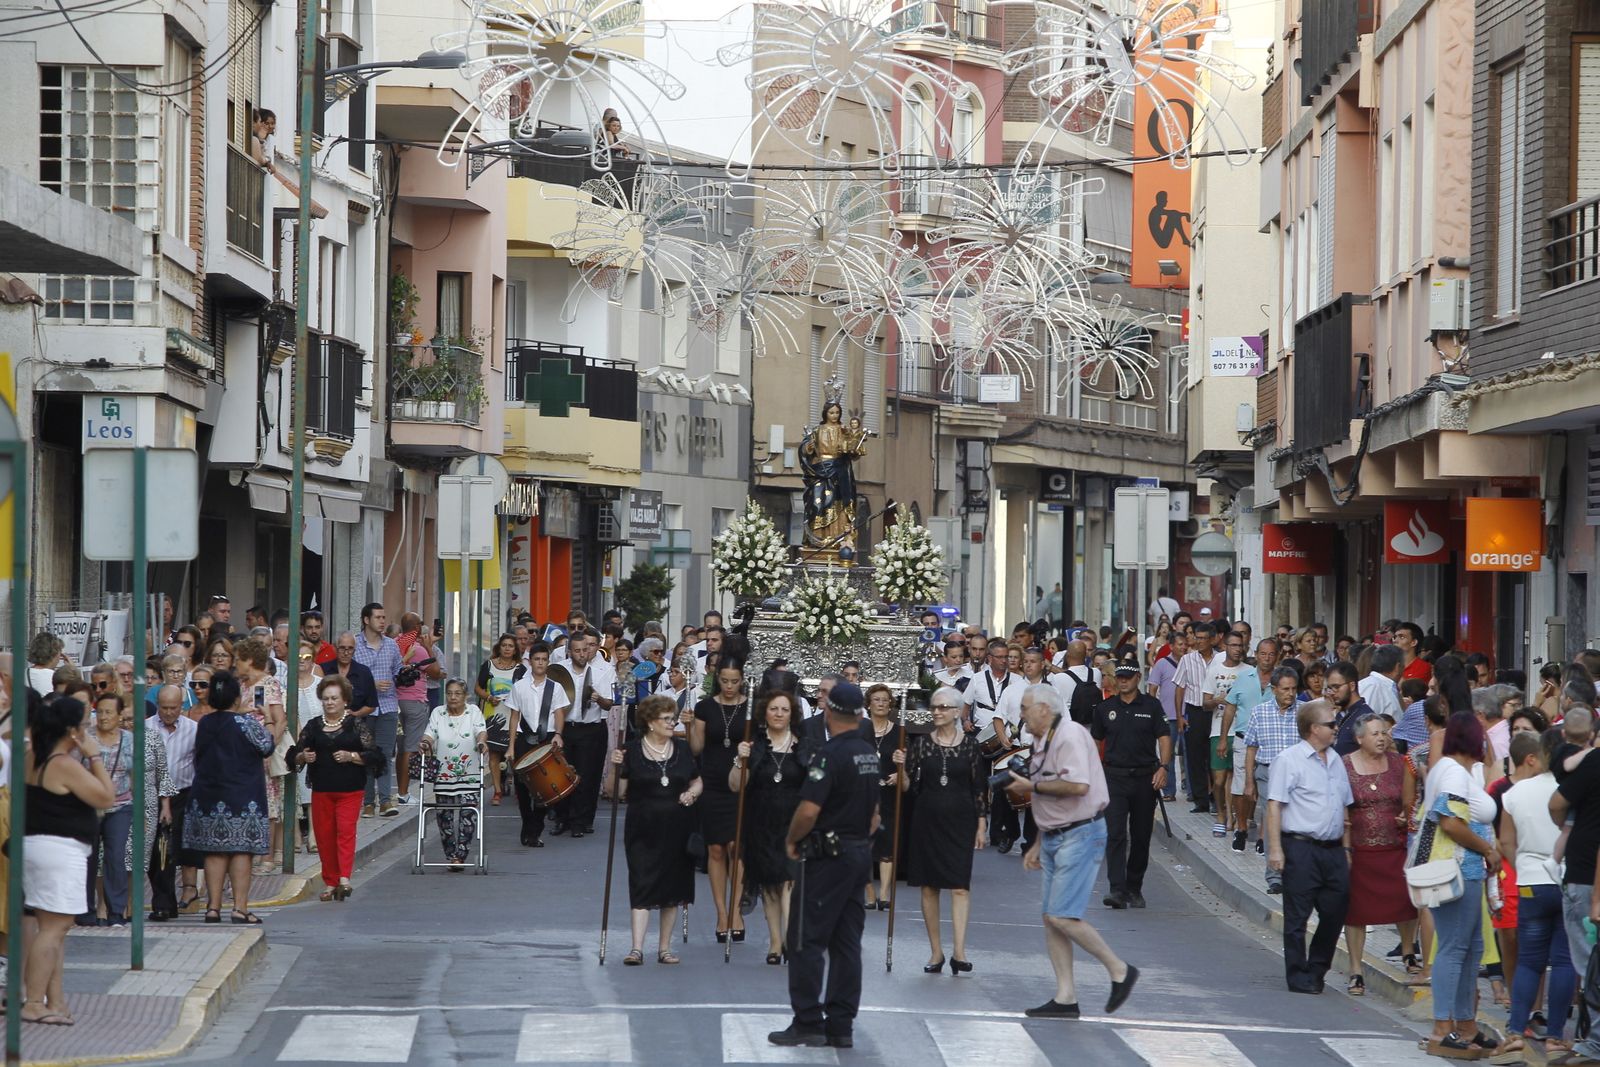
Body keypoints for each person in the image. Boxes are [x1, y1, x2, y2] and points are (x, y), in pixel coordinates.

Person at [1009, 684, 1138, 1019]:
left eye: (1024, 708)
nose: (1021, 714)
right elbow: (1047, 795)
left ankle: (1119, 970)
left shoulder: (1070, 735)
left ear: (1043, 709)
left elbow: (1078, 786)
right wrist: (1038, 841)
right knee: (1051, 918)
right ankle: (1065, 997)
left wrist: (1030, 786)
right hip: (1056, 835)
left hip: (1081, 834)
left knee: (1061, 915)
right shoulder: (1041, 739)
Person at [768, 682, 878, 1049]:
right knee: (847, 942)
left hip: (827, 855)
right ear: (861, 714)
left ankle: (808, 1020)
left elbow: (809, 810)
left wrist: (792, 839)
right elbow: (876, 815)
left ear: (828, 712)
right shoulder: (868, 753)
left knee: (806, 939)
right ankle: (841, 1024)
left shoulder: (829, 755)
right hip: (859, 851)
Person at [21, 695, 116, 1025]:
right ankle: (34, 1001)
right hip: (59, 852)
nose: (88, 730)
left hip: (38, 849)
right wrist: (94, 756)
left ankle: (55, 1001)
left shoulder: (33, 756)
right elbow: (107, 796)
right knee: (53, 930)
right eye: (84, 725)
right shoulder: (62, 763)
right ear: (72, 730)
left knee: (52, 928)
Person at [1414, 711, 1500, 1057]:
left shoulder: (1457, 770)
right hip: (1458, 867)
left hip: (1466, 870)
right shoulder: (1452, 772)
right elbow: (1450, 822)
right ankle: (1442, 1028)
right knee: (1454, 947)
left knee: (1471, 947)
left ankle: (1465, 1025)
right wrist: (1487, 850)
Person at [1491, 730, 1575, 1061]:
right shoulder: (1571, 790)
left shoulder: (1516, 793)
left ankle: (1514, 1032)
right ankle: (1555, 1037)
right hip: (1567, 881)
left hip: (1530, 883)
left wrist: (1522, 866)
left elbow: (1506, 841)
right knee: (1564, 961)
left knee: (1529, 960)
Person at [1264, 699, 1353, 995]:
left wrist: (1347, 849)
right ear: (1314, 729)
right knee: (1297, 916)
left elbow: (1344, 806)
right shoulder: (1289, 760)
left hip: (1333, 849)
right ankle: (1298, 975)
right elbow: (1274, 804)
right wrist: (1275, 850)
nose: (1336, 727)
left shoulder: (1336, 759)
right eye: (1331, 724)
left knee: (1335, 911)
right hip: (1301, 847)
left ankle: (1317, 969)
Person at [897, 687, 987, 973]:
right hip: (927, 819)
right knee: (929, 886)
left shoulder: (971, 745)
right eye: (933, 707)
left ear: (957, 711)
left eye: (942, 707)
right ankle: (936, 952)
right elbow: (907, 787)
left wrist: (982, 824)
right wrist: (900, 769)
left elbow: (979, 788)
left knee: (960, 886)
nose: (936, 711)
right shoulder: (921, 744)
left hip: (961, 820)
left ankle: (959, 952)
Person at [610, 694, 700, 966]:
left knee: (672, 885)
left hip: (677, 826)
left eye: (673, 718)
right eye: (666, 719)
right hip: (642, 827)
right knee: (641, 880)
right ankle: (637, 948)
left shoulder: (682, 750)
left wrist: (692, 794)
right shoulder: (631, 750)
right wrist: (615, 769)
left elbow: (697, 781)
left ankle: (664, 948)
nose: (672, 723)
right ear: (650, 722)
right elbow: (616, 792)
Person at [732, 689, 818, 964]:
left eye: (784, 710)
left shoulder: (804, 745)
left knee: (789, 880)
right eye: (774, 709)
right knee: (769, 884)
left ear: (792, 715)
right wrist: (739, 761)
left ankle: (791, 939)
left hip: (794, 824)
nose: (779, 714)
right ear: (764, 713)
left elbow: (815, 782)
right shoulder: (754, 745)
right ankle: (775, 943)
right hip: (761, 822)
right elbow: (736, 786)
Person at [184, 670, 275, 925]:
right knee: (240, 852)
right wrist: (266, 720)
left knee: (214, 852)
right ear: (237, 698)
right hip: (243, 797)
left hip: (208, 794)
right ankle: (240, 908)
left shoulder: (204, 723)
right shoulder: (247, 724)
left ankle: (212, 908)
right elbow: (267, 746)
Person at [1340, 712, 1417, 995]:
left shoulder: (1400, 764)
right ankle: (1356, 970)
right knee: (1357, 911)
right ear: (1359, 738)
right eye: (1374, 733)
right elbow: (1341, 806)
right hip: (1360, 849)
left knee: (1406, 901)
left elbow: (1413, 797)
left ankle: (1409, 952)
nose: (1381, 738)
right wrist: (1345, 845)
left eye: (1384, 732)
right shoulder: (1345, 765)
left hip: (1395, 845)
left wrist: (1404, 815)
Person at [291, 675, 381, 900]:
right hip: (322, 789)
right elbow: (293, 754)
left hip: (350, 790)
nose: (329, 702)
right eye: (326, 698)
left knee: (345, 832)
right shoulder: (313, 726)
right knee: (324, 837)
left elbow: (375, 756)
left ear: (345, 701)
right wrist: (304, 756)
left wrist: (351, 756)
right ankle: (330, 882)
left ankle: (344, 879)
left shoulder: (356, 725)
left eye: (334, 698)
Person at [1092, 663, 1171, 910]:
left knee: (1140, 836)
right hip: (1114, 778)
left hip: (1144, 779)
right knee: (1115, 834)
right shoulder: (1105, 708)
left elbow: (1164, 737)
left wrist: (1164, 767)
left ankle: (1134, 887)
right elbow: (1095, 741)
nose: (1123, 681)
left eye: (1128, 677)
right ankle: (1116, 889)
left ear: (1138, 677)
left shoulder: (1151, 706)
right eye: (1120, 677)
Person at [689, 661, 749, 942]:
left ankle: (736, 910)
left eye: (734, 681)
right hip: (712, 780)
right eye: (724, 680)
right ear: (717, 680)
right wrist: (690, 727)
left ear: (742, 680)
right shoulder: (705, 708)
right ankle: (721, 914)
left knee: (736, 846)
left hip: (739, 783)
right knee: (715, 848)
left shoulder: (750, 709)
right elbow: (696, 748)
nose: (728, 686)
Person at [502, 642, 570, 848]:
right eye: (537, 659)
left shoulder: (555, 687)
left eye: (544, 660)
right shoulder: (519, 686)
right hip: (524, 738)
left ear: (548, 662)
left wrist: (558, 734)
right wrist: (511, 746)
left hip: (547, 738)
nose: (540, 663)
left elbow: (559, 713)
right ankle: (527, 826)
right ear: (530, 661)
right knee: (523, 788)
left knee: (545, 788)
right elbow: (514, 717)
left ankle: (535, 829)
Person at [420, 680, 489, 871]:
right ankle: (451, 856)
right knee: (444, 818)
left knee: (468, 816)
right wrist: (425, 743)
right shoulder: (438, 713)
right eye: (449, 693)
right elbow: (430, 733)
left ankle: (461, 855)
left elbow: (481, 731)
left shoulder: (473, 711)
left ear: (465, 696)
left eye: (457, 693)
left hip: (470, 775)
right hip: (444, 775)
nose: (453, 697)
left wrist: (482, 742)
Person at [555, 629, 616, 838]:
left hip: (590, 728)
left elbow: (609, 705)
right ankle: (562, 818)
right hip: (566, 728)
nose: (582, 654)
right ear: (570, 652)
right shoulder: (559, 671)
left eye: (585, 650)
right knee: (563, 776)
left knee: (585, 776)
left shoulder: (602, 672)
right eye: (577, 650)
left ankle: (580, 821)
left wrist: (597, 698)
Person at [79, 693, 134, 926]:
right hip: (89, 806)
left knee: (115, 856)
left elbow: (135, 772)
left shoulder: (129, 740)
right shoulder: (86, 738)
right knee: (87, 856)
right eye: (99, 711)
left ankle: (116, 911)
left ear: (120, 715)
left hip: (121, 806)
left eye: (109, 712)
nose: (103, 717)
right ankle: (85, 910)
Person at [233, 637, 287, 874]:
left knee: (269, 804)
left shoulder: (269, 683)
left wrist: (269, 747)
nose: (235, 663)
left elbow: (279, 719)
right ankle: (254, 851)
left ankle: (267, 857)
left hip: (262, 754)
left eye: (238, 659)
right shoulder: (241, 685)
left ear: (250, 660)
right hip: (243, 753)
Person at [146, 684, 198, 920]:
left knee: (171, 849)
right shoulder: (146, 727)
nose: (168, 713)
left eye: (173, 708)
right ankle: (163, 902)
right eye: (164, 708)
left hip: (182, 796)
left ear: (181, 706)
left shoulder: (193, 729)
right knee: (156, 852)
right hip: (152, 796)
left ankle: (172, 900)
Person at [352, 603, 402, 818]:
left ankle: (385, 801)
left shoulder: (391, 645)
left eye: (384, 617)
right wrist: (371, 684)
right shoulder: (354, 643)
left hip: (388, 706)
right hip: (364, 708)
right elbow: (349, 677)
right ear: (366, 620)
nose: (383, 621)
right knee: (366, 754)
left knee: (384, 753)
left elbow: (398, 672)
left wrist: (404, 676)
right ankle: (368, 801)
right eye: (378, 617)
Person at [394, 612, 442, 803]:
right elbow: (436, 672)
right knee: (411, 749)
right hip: (415, 702)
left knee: (401, 749)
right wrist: (430, 647)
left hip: (396, 702)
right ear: (415, 628)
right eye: (420, 624)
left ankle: (400, 790)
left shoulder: (395, 642)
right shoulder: (418, 648)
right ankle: (404, 794)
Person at [1173, 622, 1219, 814]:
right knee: (1195, 757)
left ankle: (1216, 798)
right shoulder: (1187, 660)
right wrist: (1180, 716)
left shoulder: (1220, 659)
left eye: (1202, 638)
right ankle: (1200, 800)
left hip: (1216, 712)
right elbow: (1180, 688)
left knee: (1214, 757)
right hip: (1195, 710)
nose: (1198, 642)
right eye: (1196, 638)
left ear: (1212, 639)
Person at [476, 633, 524, 805]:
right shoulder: (489, 665)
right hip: (492, 714)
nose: (507, 648)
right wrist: (488, 697)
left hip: (512, 715)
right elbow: (477, 688)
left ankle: (520, 789)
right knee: (494, 754)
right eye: (504, 645)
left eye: (511, 646)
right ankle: (497, 790)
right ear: (499, 647)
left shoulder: (521, 669)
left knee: (515, 755)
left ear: (515, 649)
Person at [864, 684, 899, 908]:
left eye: (885, 700)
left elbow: (908, 759)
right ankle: (869, 892)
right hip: (864, 793)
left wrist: (900, 773)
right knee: (864, 843)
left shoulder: (898, 731)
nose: (880, 703)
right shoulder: (860, 730)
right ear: (868, 704)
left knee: (887, 843)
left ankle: (885, 893)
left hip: (888, 792)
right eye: (876, 699)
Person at [1147, 630, 1187, 800]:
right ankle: (1169, 791)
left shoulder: (1190, 662)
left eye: (1185, 644)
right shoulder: (1161, 664)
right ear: (1171, 646)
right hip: (1167, 716)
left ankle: (1191, 791)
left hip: (1188, 715)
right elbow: (1152, 689)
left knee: (1187, 755)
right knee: (1167, 754)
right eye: (1180, 644)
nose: (1184, 647)